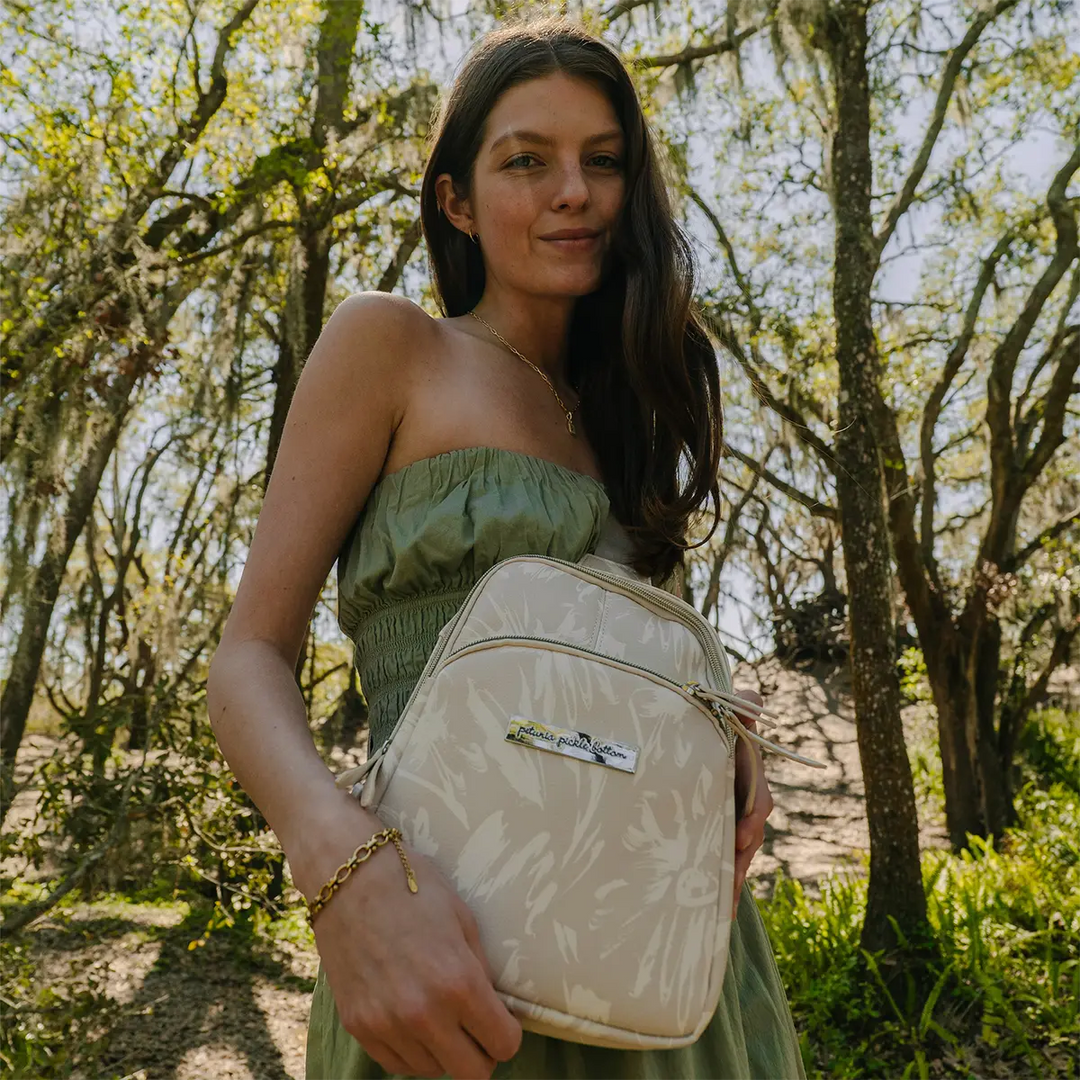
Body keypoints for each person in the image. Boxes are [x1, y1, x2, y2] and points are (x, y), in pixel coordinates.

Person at [207, 14, 806, 1080]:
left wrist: (727, 734)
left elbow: (636, 671)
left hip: (666, 980)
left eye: (603, 161)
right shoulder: (392, 347)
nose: (573, 190)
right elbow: (247, 657)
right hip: (440, 947)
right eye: (526, 160)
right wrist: (342, 876)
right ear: (458, 202)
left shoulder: (634, 423)